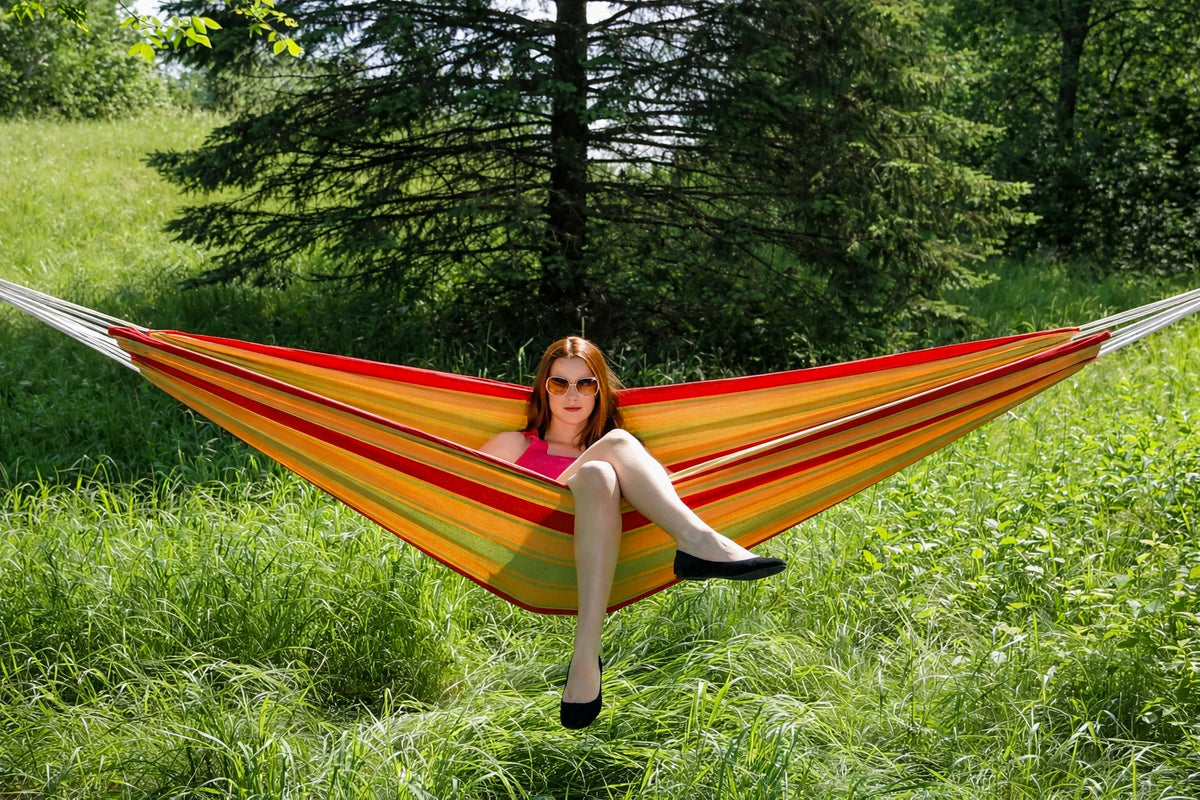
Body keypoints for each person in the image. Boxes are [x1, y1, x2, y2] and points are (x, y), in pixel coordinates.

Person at [480, 336, 786, 730]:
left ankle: (585, 658)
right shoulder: (513, 445)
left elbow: (675, 499)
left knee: (599, 471)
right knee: (618, 443)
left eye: (585, 383)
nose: (572, 395)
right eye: (559, 383)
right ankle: (698, 543)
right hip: (536, 547)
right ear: (544, 389)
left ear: (599, 390)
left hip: (598, 557)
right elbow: (467, 496)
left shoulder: (627, 463)